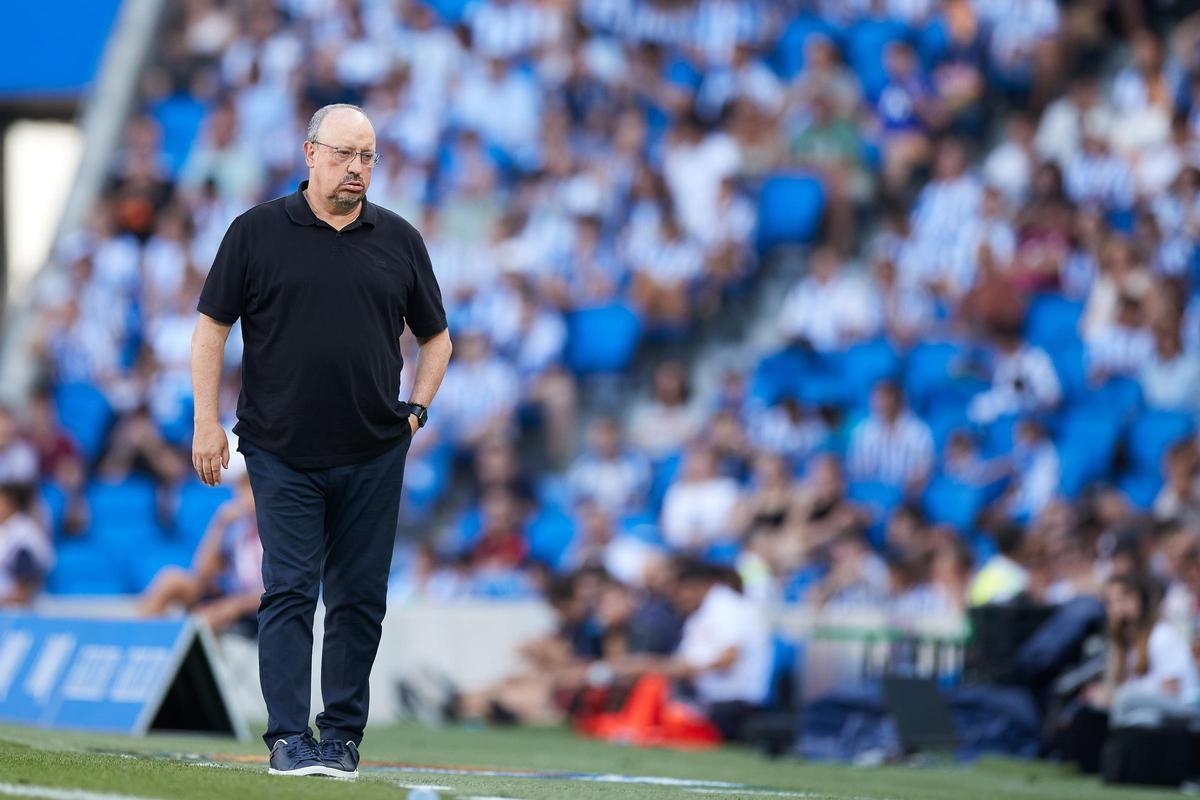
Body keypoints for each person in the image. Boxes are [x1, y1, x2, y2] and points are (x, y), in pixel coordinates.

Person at [191, 104, 452, 779]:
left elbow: (436, 337)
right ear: (310, 154)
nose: (357, 168)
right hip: (280, 450)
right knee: (289, 589)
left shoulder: (398, 238)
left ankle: (340, 736)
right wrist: (204, 422)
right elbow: (211, 329)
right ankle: (286, 737)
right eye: (344, 154)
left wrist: (416, 411)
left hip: (373, 449)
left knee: (361, 595)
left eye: (367, 156)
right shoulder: (255, 232)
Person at [137, 437, 263, 633]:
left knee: (209, 617)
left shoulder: (276, 531)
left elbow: (277, 588)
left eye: (250, 487)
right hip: (229, 597)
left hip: (255, 610)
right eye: (241, 487)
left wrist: (232, 606)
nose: (244, 495)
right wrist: (219, 525)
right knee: (170, 580)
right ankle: (143, 643)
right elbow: (202, 576)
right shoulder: (235, 528)